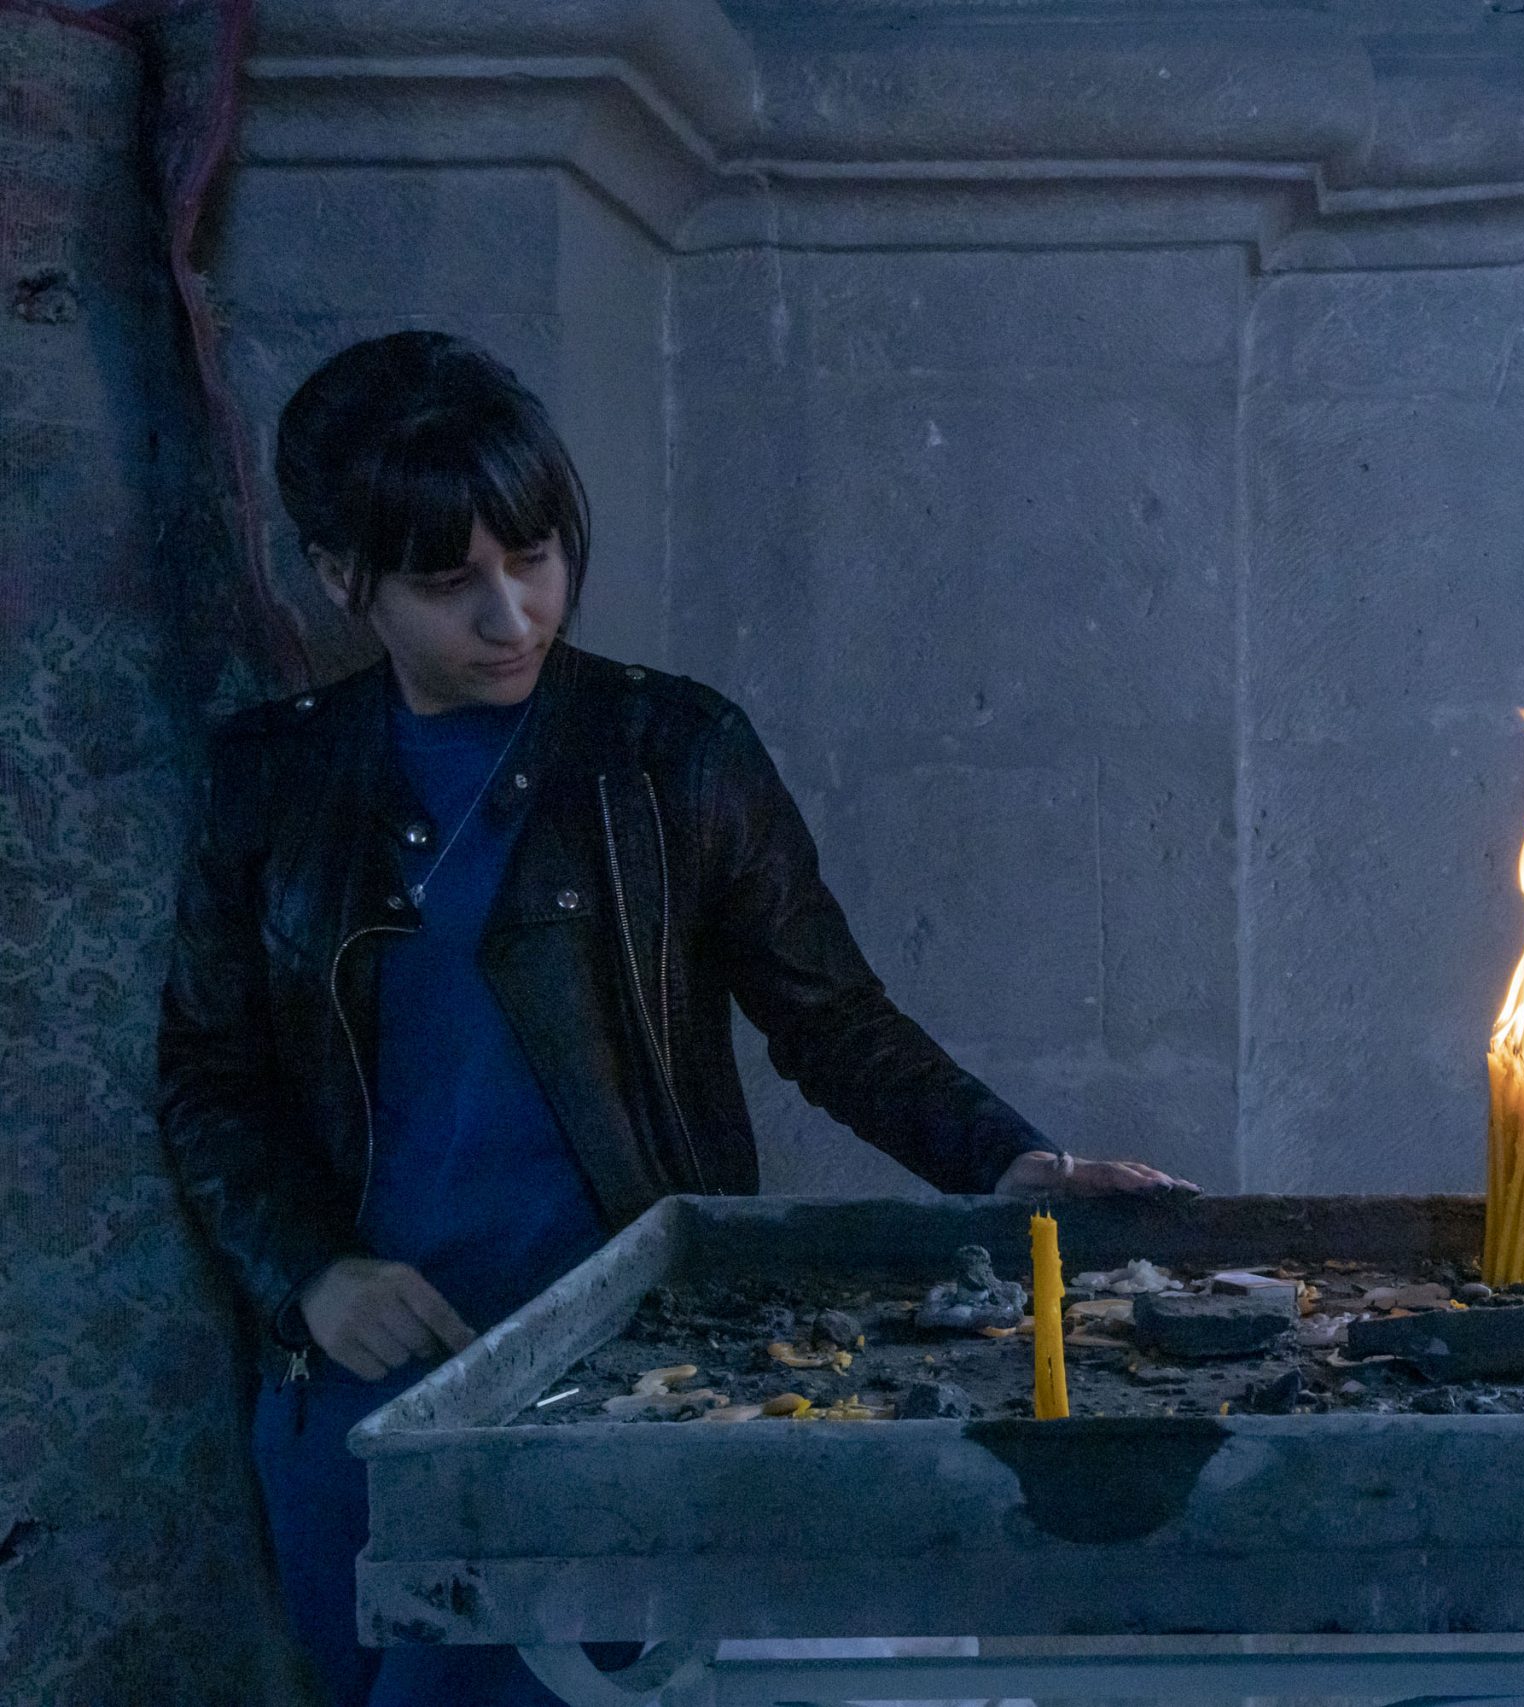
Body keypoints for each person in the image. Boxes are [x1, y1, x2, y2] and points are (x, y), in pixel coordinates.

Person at [158, 330, 1195, 1706]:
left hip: (625, 1374)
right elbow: (209, 1077)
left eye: (532, 559)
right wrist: (310, 1269)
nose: (514, 616)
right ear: (339, 577)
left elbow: (830, 1017)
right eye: (447, 582)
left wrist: (1007, 1163)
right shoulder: (271, 783)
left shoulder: (670, 754)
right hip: (370, 1387)